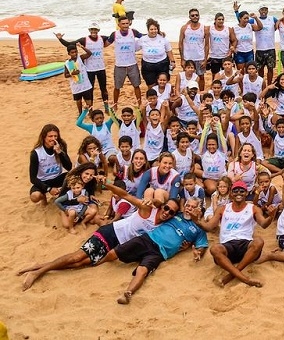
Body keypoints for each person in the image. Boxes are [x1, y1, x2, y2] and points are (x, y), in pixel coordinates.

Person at [18, 180, 174, 291]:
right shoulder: (147, 209)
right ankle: (38, 272)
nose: (167, 213)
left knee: (80, 263)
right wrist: (107, 184)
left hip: (117, 246)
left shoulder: (162, 225)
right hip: (110, 233)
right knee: (76, 257)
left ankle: (40, 265)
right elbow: (125, 195)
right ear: (162, 206)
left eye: (171, 212)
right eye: (166, 208)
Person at [104, 197, 208, 304]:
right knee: (115, 252)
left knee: (142, 271)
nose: (189, 209)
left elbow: (202, 245)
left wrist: (198, 253)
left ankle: (128, 293)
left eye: (193, 207)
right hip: (147, 239)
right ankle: (99, 264)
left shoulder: (199, 229)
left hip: (160, 253)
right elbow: (160, 209)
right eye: (187, 206)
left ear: (199, 209)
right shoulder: (175, 214)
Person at [199, 180, 273, 287]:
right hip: (228, 246)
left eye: (242, 191)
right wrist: (197, 220)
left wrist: (271, 216)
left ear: (246, 193)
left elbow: (264, 224)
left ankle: (231, 276)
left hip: (245, 245)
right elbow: (209, 227)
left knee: (259, 242)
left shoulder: (253, 208)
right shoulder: (223, 208)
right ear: (231, 193)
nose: (239, 193)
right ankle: (246, 279)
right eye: (235, 191)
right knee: (215, 249)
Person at [55, 22, 111, 103]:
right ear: (89, 30)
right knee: (90, 90)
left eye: (95, 30)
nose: (94, 31)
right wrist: (60, 39)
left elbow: (115, 37)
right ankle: (91, 108)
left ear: (98, 30)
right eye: (92, 30)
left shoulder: (102, 38)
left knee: (103, 88)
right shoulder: (84, 40)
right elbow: (69, 44)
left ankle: (106, 107)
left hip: (101, 68)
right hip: (89, 69)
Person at [29, 124, 72, 206]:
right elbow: (33, 178)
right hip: (43, 181)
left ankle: (62, 195)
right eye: (50, 136)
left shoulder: (61, 146)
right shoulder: (36, 153)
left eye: (55, 136)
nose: (53, 139)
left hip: (58, 177)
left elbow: (69, 167)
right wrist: (49, 189)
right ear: (44, 137)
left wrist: (60, 153)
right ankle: (43, 197)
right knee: (35, 197)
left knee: (74, 178)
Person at [105, 17, 144, 104]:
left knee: (136, 86)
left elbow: (144, 37)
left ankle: (140, 103)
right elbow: (104, 44)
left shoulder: (133, 32)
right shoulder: (114, 34)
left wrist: (158, 34)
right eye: (123, 24)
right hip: (119, 65)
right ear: (118, 25)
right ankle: (115, 104)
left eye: (127, 23)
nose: (125, 25)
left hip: (132, 64)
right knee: (117, 87)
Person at [138, 18, 175, 88]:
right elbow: (134, 48)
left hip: (162, 64)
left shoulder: (163, 38)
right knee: (151, 86)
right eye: (151, 29)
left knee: (162, 84)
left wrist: (172, 61)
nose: (153, 31)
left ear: (158, 29)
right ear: (148, 30)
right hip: (148, 65)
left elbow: (169, 50)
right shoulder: (142, 39)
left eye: (155, 29)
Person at [178, 9, 208, 91]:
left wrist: (205, 59)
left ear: (199, 16)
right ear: (189, 17)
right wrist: (182, 59)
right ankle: (187, 93)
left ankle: (201, 93)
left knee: (201, 77)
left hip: (199, 57)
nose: (195, 17)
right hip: (188, 58)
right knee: (187, 76)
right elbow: (180, 43)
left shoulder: (204, 28)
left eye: (196, 15)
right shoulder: (184, 28)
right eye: (193, 15)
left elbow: (207, 45)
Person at [63, 43, 94, 114]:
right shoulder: (67, 63)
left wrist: (82, 46)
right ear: (69, 54)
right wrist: (72, 74)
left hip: (85, 84)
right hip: (76, 86)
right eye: (72, 52)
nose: (74, 54)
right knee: (78, 101)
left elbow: (89, 53)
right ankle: (80, 113)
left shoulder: (81, 58)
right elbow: (66, 75)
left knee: (88, 100)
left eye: (75, 52)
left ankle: (91, 113)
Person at [205, 13, 237, 78]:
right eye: (219, 19)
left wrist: (232, 49)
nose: (221, 21)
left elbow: (234, 40)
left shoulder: (228, 29)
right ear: (215, 20)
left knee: (227, 74)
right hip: (214, 56)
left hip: (225, 56)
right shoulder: (209, 28)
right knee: (215, 75)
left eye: (222, 19)